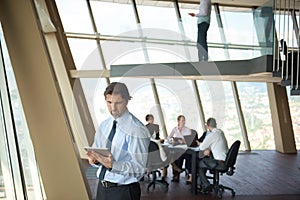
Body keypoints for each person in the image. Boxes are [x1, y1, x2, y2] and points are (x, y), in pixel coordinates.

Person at [86, 82, 150, 200]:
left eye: (118, 103)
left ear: (126, 101)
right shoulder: (104, 125)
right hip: (102, 188)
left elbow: (139, 169)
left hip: (123, 192)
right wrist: (95, 160)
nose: (113, 108)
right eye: (109, 102)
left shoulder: (136, 129)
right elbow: (97, 152)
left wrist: (113, 165)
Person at [197, 117, 229, 193]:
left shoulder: (211, 135)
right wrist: (208, 148)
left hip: (219, 162)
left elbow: (201, 147)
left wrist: (201, 145)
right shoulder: (220, 132)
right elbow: (215, 144)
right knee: (204, 162)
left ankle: (206, 185)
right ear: (216, 124)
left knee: (199, 164)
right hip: (225, 160)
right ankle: (202, 184)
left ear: (207, 126)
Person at [167, 115, 191, 182]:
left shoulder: (187, 130)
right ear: (178, 121)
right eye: (182, 120)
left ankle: (177, 173)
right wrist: (171, 140)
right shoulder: (175, 129)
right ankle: (176, 173)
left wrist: (183, 141)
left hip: (185, 149)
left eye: (184, 120)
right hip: (177, 148)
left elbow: (190, 141)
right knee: (172, 155)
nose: (183, 122)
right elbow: (168, 137)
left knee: (179, 156)